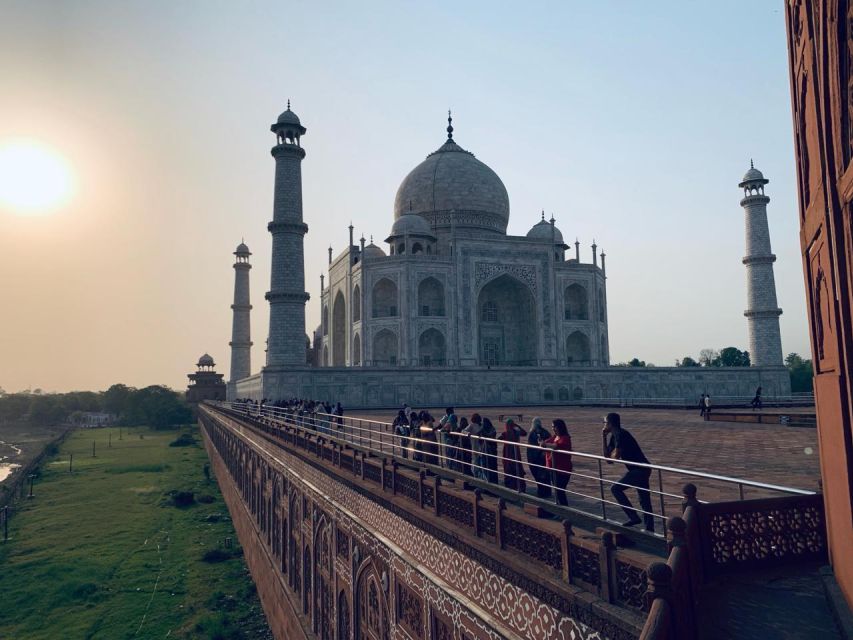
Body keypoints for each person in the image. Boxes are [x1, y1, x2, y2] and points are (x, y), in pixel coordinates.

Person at [602, 412, 654, 532]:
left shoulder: (621, 434)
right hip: (640, 469)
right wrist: (603, 436)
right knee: (644, 500)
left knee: (615, 489)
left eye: (605, 422)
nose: (604, 425)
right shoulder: (614, 436)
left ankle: (634, 517)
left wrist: (613, 454)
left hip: (640, 469)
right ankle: (649, 528)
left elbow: (614, 457)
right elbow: (608, 459)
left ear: (610, 423)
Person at [543, 419, 573, 506]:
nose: (553, 429)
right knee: (557, 490)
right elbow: (547, 442)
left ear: (560, 427)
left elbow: (557, 446)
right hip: (553, 467)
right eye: (552, 427)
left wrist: (546, 445)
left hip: (562, 468)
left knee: (560, 490)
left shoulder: (565, 438)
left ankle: (565, 511)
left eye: (554, 427)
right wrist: (543, 443)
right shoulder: (555, 437)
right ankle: (560, 509)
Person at [498, 418, 527, 491]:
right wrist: (518, 426)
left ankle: (511, 485)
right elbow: (524, 433)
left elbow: (499, 439)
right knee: (517, 467)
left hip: (507, 452)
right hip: (515, 452)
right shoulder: (516, 432)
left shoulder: (505, 433)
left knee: (508, 467)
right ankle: (519, 485)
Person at [526, 417, 552, 499]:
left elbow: (531, 448)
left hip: (535, 459)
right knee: (546, 476)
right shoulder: (545, 432)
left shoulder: (532, 433)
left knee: (538, 475)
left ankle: (542, 492)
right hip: (545, 457)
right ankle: (547, 492)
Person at [463, 414, 487, 480]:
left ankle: (482, 477)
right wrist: (468, 434)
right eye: (478, 418)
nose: (480, 419)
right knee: (475, 461)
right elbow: (463, 431)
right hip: (475, 445)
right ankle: (475, 476)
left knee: (482, 462)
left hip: (482, 446)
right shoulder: (471, 425)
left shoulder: (482, 425)